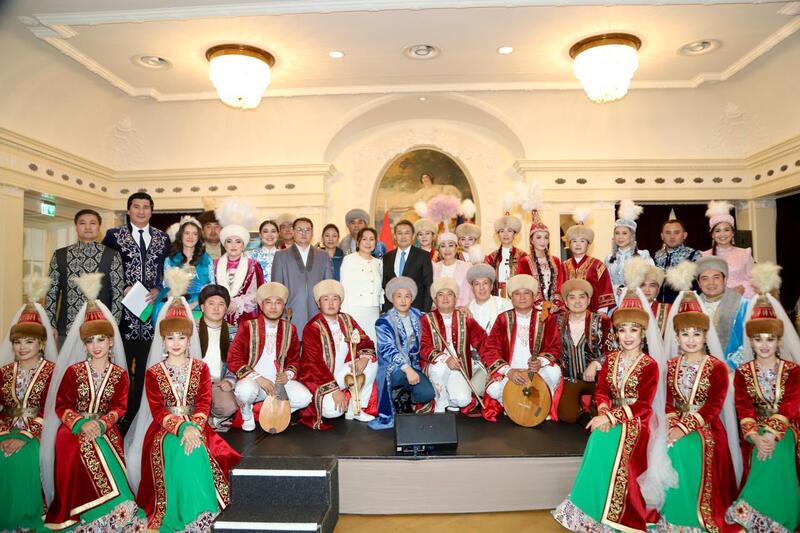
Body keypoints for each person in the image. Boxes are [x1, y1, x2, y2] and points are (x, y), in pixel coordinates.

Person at [125, 270, 240, 531]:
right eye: (170, 338)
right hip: (164, 428)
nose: (176, 343)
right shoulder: (154, 372)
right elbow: (157, 410)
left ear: (189, 340)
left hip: (197, 424)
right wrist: (182, 428)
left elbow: (204, 403)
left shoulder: (200, 368)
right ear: (163, 341)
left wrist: (193, 426)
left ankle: (202, 511)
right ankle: (182, 511)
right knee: (178, 449)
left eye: (181, 337)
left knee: (198, 448)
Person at [552, 290, 661, 532]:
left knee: (606, 440)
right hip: (610, 415)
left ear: (643, 333)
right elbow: (602, 391)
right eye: (622, 330)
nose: (627, 336)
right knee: (598, 439)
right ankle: (590, 509)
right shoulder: (611, 359)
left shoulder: (649, 365)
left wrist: (610, 417)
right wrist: (603, 410)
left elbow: (643, 405)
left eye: (633, 330)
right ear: (616, 334)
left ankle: (617, 512)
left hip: (637, 421)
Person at [42, 274, 145, 530]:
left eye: (101, 339)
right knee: (77, 449)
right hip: (72, 431)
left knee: (104, 452)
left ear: (110, 341)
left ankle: (113, 513)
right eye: (90, 341)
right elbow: (62, 405)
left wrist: (99, 424)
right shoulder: (73, 371)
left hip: (104, 429)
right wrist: (80, 424)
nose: (96, 346)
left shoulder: (120, 374)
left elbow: (120, 407)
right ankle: (80, 515)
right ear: (84, 344)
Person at [655, 292, 738, 532]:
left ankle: (695, 515)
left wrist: (683, 428)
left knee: (685, 447)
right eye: (685, 334)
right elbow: (667, 402)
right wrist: (672, 423)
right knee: (660, 446)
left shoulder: (717, 367)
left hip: (706, 425)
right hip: (675, 423)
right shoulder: (671, 366)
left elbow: (714, 406)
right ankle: (669, 515)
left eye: (697, 334)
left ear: (705, 336)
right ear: (677, 337)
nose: (691, 340)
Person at [727, 294, 800, 532]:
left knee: (779, 446)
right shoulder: (743, 372)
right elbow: (743, 408)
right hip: (754, 428)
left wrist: (770, 434)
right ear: (751, 342)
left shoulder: (793, 370)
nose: (765, 345)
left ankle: (782, 515)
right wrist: (756, 437)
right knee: (762, 449)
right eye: (758, 339)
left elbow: (790, 405)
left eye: (770, 339)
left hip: (787, 426)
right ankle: (753, 512)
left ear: (779, 341)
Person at [102, 192, 170, 425]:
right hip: (124, 313)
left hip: (151, 312)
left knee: (147, 366)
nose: (141, 211)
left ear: (152, 211)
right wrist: (122, 286)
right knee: (120, 364)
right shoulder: (114, 236)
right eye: (136, 206)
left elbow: (166, 269)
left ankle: (143, 415)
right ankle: (119, 415)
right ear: (128, 210)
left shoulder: (162, 238)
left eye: (146, 207)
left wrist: (159, 288)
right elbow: (106, 267)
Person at [0, 276, 57, 532]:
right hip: (6, 429)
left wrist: (25, 435)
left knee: (24, 455)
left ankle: (27, 517)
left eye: (29, 341)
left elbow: (52, 409)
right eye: (18, 342)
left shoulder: (52, 372)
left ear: (41, 343)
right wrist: (4, 433)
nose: (22, 347)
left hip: (40, 431)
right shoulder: (4, 372)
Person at [227, 282, 312, 431]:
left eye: (278, 302)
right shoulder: (247, 326)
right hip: (254, 382)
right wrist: (258, 378)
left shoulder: (290, 329)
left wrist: (287, 374)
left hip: (279, 384)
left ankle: (270, 411)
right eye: (268, 302)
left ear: (283, 306)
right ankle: (247, 413)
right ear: (261, 305)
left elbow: (294, 360)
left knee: (305, 398)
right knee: (245, 391)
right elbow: (234, 359)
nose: (273, 307)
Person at [480, 274, 562, 421]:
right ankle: (512, 406)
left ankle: (542, 406)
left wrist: (541, 361)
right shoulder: (503, 319)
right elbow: (490, 349)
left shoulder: (545, 318)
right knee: (493, 389)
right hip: (512, 371)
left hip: (536, 371)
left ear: (533, 296)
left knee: (554, 372)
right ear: (511, 298)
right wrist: (508, 371)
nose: (522, 297)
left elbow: (554, 346)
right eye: (517, 294)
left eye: (526, 293)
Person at [298, 280, 378, 429]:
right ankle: (337, 401)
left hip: (342, 373)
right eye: (325, 299)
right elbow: (315, 364)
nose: (330, 303)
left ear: (340, 302)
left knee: (371, 362)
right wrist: (334, 391)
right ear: (318, 303)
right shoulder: (312, 327)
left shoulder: (347, 319)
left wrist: (364, 359)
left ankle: (356, 408)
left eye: (335, 298)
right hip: (319, 380)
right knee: (333, 411)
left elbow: (366, 341)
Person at [45, 208, 123, 348]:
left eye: (92, 223)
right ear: (76, 226)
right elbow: (51, 293)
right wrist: (50, 325)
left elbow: (117, 294)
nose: (87, 227)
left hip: (100, 330)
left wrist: (113, 326)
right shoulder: (60, 255)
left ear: (99, 227)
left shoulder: (112, 255)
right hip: (66, 329)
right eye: (82, 223)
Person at [369, 277, 436, 430]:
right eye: (399, 296)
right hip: (392, 368)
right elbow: (388, 349)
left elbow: (437, 315)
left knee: (427, 394)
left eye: (407, 296)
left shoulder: (419, 315)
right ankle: (394, 396)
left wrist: (461, 309)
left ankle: (405, 396)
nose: (403, 300)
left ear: (412, 299)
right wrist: (407, 369)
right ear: (391, 298)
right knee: (399, 375)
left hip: (415, 366)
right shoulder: (384, 321)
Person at [553, 280, 617, 423]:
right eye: (572, 297)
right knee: (567, 417)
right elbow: (551, 348)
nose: (577, 301)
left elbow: (613, 351)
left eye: (582, 297)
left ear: (588, 300)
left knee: (602, 415)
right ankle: (581, 408)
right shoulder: (556, 321)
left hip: (598, 380)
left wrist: (596, 364)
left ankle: (591, 407)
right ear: (566, 302)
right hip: (570, 379)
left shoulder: (602, 320)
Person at [420, 278, 487, 414]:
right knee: (440, 369)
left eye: (449, 294)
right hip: (436, 366)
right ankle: (440, 402)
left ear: (455, 298)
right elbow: (423, 346)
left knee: (463, 400)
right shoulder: (426, 319)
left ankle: (447, 396)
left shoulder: (465, 317)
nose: (445, 298)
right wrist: (445, 359)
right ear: (435, 300)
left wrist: (493, 365)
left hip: (458, 367)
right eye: (440, 294)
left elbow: (483, 341)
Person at [272, 217, 334, 338]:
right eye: (299, 230)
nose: (303, 233)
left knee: (316, 346)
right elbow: (276, 288)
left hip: (317, 313)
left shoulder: (323, 256)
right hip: (291, 312)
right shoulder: (281, 256)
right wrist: (280, 314)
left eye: (307, 230)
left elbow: (328, 287)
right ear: (293, 232)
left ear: (312, 232)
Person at [153, 216, 214, 322]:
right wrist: (179, 303)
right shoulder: (170, 260)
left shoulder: (207, 259)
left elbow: (212, 285)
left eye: (194, 234)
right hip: (175, 303)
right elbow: (166, 286)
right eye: (187, 233)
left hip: (201, 303)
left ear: (199, 237)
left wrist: (196, 303)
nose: (190, 237)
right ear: (181, 235)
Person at [695, 256, 749, 369]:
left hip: (734, 370)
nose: (711, 283)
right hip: (699, 369)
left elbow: (750, 341)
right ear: (699, 283)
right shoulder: (693, 307)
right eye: (705, 279)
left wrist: (729, 365)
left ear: (725, 280)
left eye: (716, 277)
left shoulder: (743, 305)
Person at [197, 284, 239, 431]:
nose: (216, 308)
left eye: (221, 304)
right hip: (194, 383)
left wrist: (229, 380)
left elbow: (237, 362)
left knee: (229, 407)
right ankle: (201, 418)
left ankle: (211, 418)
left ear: (226, 308)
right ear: (202, 307)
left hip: (218, 383)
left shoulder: (234, 332)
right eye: (211, 304)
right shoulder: (192, 330)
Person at [215, 218, 264, 332]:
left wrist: (237, 303)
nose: (233, 245)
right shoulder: (214, 265)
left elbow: (258, 293)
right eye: (229, 241)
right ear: (224, 244)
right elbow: (209, 290)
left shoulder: (253, 265)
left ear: (243, 245)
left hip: (246, 316)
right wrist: (223, 303)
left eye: (238, 241)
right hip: (218, 314)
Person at [560, 214, 614, 314]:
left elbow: (605, 289)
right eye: (574, 241)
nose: (578, 244)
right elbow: (559, 290)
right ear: (569, 244)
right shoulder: (563, 266)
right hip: (568, 314)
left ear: (588, 244)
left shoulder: (598, 265)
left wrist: (602, 312)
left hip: (593, 313)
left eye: (582, 241)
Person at [517, 209, 565, 314]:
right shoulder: (524, 262)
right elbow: (525, 286)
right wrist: (541, 304)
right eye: (538, 237)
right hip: (534, 308)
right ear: (531, 240)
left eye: (546, 237)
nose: (543, 241)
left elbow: (560, 284)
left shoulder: (556, 261)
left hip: (556, 309)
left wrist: (556, 303)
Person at [702, 201, 755, 297]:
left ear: (732, 233)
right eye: (718, 231)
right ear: (712, 235)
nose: (722, 234)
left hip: (741, 298)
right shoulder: (704, 256)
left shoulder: (744, 253)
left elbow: (753, 280)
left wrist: (741, 289)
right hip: (713, 300)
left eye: (726, 230)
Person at [604, 200, 653, 299]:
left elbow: (651, 281)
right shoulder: (609, 258)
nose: (620, 237)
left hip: (636, 300)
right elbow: (605, 283)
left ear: (632, 236)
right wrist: (615, 289)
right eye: (617, 233)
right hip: (615, 301)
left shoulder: (643, 256)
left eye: (624, 233)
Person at [340, 227, 383, 340]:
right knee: (356, 344)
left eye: (372, 239)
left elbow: (380, 290)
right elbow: (345, 288)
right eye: (364, 239)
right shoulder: (349, 260)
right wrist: (346, 317)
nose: (368, 242)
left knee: (373, 344)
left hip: (373, 312)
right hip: (355, 311)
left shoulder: (378, 263)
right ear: (358, 242)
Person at [382, 219, 433, 313]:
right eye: (399, 233)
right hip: (391, 311)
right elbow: (384, 285)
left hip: (416, 310)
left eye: (407, 233)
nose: (403, 237)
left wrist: (424, 312)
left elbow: (428, 286)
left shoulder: (423, 256)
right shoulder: (387, 257)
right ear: (394, 236)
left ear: (413, 236)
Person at [654, 219, 703, 303]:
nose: (672, 237)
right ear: (662, 236)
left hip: (685, 306)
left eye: (676, 232)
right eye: (668, 233)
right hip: (659, 307)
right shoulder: (656, 256)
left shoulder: (694, 255)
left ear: (684, 235)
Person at [484, 214, 527, 298]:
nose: (505, 234)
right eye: (502, 231)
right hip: (496, 298)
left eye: (509, 231)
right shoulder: (491, 258)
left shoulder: (523, 256)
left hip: (517, 297)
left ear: (515, 234)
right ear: (498, 234)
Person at [433, 232, 472, 308]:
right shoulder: (434, 268)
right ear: (439, 249)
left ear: (456, 248)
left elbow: (472, 294)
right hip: (439, 310)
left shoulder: (467, 267)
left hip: (462, 310)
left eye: (451, 245)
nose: (447, 249)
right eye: (443, 246)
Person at [636, 260, 671, 339]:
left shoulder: (668, 309)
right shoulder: (629, 309)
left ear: (658, 290)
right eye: (643, 285)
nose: (647, 290)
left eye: (652, 286)